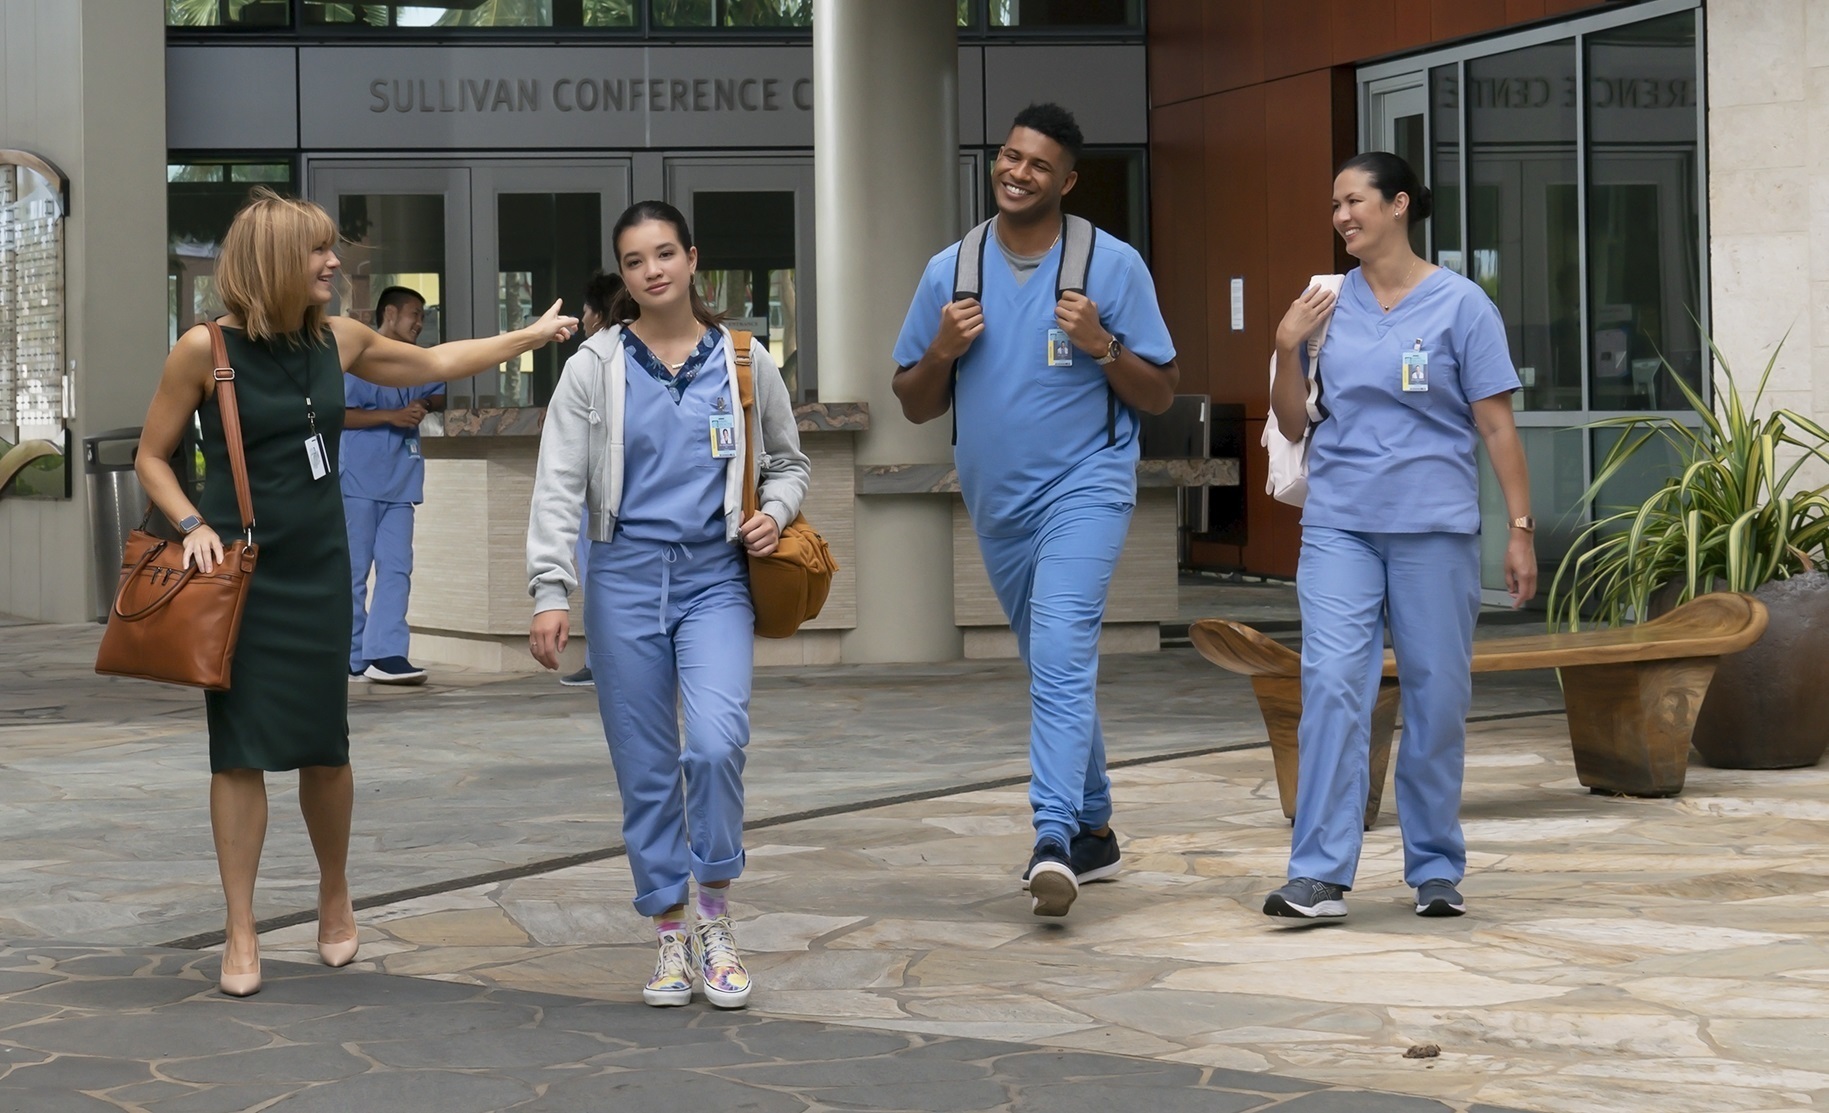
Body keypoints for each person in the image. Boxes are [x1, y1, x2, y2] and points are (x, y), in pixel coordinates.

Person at [134, 187, 577, 997]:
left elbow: (438, 363)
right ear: (272, 262)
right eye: (319, 251)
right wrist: (191, 520)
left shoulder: (337, 339)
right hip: (241, 576)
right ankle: (241, 927)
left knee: (324, 746)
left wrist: (531, 333)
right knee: (237, 755)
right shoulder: (203, 352)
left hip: (319, 569)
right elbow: (151, 457)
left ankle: (334, 892)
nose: (335, 262)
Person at [891, 104, 1179, 919]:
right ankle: (1094, 826)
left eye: (1038, 165)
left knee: (1058, 647)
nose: (1017, 173)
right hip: (998, 501)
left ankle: (1051, 836)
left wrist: (1102, 346)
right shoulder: (951, 269)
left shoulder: (1111, 266)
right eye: (1009, 158)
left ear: (1068, 181)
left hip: (1087, 485)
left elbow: (1157, 390)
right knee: (1052, 663)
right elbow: (912, 404)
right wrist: (942, 350)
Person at [526, 201, 808, 1008]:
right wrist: (552, 589)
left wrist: (774, 512)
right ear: (624, 274)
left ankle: (715, 918)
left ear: (692, 259)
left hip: (715, 577)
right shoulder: (594, 366)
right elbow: (558, 487)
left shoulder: (745, 361)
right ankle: (667, 934)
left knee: (715, 743)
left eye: (664, 254)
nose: (652, 270)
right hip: (621, 577)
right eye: (634, 259)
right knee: (646, 769)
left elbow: (789, 464)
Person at [1264, 151, 1536, 923]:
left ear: (1398, 206)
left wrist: (1519, 530)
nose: (1342, 216)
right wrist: (1286, 343)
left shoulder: (1460, 304)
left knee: (1436, 696)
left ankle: (1435, 868)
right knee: (1332, 687)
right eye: (1334, 206)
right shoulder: (1321, 305)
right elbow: (1290, 422)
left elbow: (1494, 423)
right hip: (1340, 526)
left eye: (1354, 201)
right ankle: (1317, 873)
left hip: (1434, 529)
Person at [341, 285, 445, 685]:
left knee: (397, 568)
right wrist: (391, 416)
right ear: (389, 314)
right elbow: (341, 415)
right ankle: (351, 655)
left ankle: (386, 652)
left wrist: (424, 405)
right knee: (353, 571)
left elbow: (438, 388)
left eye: (421, 316)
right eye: (413, 315)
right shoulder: (359, 361)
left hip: (401, 482)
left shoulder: (417, 362)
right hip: (359, 480)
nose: (419, 323)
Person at [559, 269, 626, 689]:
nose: (582, 317)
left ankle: (600, 661)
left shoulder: (592, 360)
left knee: (597, 576)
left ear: (599, 314)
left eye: (586, 309)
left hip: (601, 498)